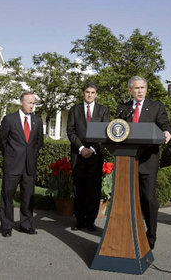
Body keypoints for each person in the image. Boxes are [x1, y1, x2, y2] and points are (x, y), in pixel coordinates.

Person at [116, 76, 171, 249]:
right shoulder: (123, 108)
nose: (140, 91)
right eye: (136, 88)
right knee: (126, 199)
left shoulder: (156, 106)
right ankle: (127, 231)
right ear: (130, 90)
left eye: (142, 88)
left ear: (146, 89)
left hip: (148, 160)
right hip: (126, 161)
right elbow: (116, 130)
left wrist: (167, 132)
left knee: (148, 198)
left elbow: (165, 124)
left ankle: (151, 234)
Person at [0, 91, 44, 237]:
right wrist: (12, 155)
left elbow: (39, 142)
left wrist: (30, 155)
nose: (32, 106)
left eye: (34, 103)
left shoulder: (37, 121)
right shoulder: (9, 119)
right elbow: (1, 141)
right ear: (21, 102)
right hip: (12, 165)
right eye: (29, 103)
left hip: (29, 165)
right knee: (7, 196)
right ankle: (7, 226)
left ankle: (26, 224)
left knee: (28, 197)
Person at [67, 82, 110, 231]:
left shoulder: (103, 111)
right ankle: (79, 220)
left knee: (93, 189)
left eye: (92, 92)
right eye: (87, 92)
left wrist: (91, 149)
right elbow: (70, 131)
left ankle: (90, 221)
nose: (90, 94)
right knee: (79, 188)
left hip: (95, 155)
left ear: (96, 94)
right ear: (83, 93)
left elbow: (106, 133)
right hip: (78, 155)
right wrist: (81, 148)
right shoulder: (74, 110)